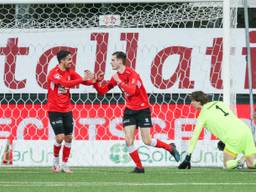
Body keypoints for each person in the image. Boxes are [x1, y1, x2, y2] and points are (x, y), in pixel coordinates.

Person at [91, 51, 180, 173]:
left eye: (113, 60)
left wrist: (119, 81)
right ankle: (139, 167)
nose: (110, 62)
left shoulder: (132, 73)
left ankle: (170, 148)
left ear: (120, 61)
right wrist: (96, 82)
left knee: (147, 140)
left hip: (143, 109)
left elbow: (132, 90)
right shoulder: (116, 77)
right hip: (129, 110)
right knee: (128, 140)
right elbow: (102, 92)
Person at [178, 91, 256, 169]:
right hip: (245, 130)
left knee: (227, 165)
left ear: (198, 102)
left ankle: (240, 161)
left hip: (233, 137)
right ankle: (247, 159)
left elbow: (194, 137)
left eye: (193, 101)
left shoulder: (202, 116)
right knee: (251, 164)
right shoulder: (219, 103)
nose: (191, 103)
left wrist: (188, 156)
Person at [47, 50, 93, 173]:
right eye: (69, 59)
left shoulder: (70, 72)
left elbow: (85, 82)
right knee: (60, 137)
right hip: (54, 109)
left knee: (68, 138)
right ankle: (55, 162)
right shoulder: (53, 73)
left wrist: (93, 79)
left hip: (67, 109)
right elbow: (65, 83)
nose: (71, 62)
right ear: (62, 60)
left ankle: (65, 164)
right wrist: (82, 79)